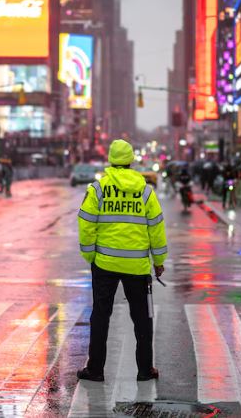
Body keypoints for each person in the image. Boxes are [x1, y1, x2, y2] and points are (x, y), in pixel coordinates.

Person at [77, 139, 168, 382]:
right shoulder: (145, 190)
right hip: (137, 266)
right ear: (130, 161)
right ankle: (145, 370)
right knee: (142, 319)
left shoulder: (98, 189)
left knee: (100, 316)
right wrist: (158, 261)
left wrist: (90, 255)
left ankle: (95, 369)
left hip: (104, 264)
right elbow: (156, 228)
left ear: (110, 160)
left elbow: (86, 223)